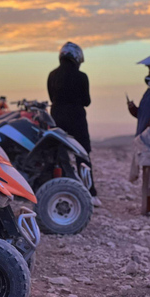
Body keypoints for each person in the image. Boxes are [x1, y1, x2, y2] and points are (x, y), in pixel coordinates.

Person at [47, 41, 101, 207]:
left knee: (58, 155)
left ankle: (59, 190)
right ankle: (90, 193)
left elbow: (51, 98)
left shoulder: (52, 75)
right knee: (82, 154)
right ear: (77, 57)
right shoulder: (82, 76)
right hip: (77, 117)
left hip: (57, 117)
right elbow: (87, 101)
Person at [127, 55, 150, 136]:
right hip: (144, 139)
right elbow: (142, 115)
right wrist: (132, 109)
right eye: (149, 69)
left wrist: (149, 128)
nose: (149, 72)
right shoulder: (149, 91)